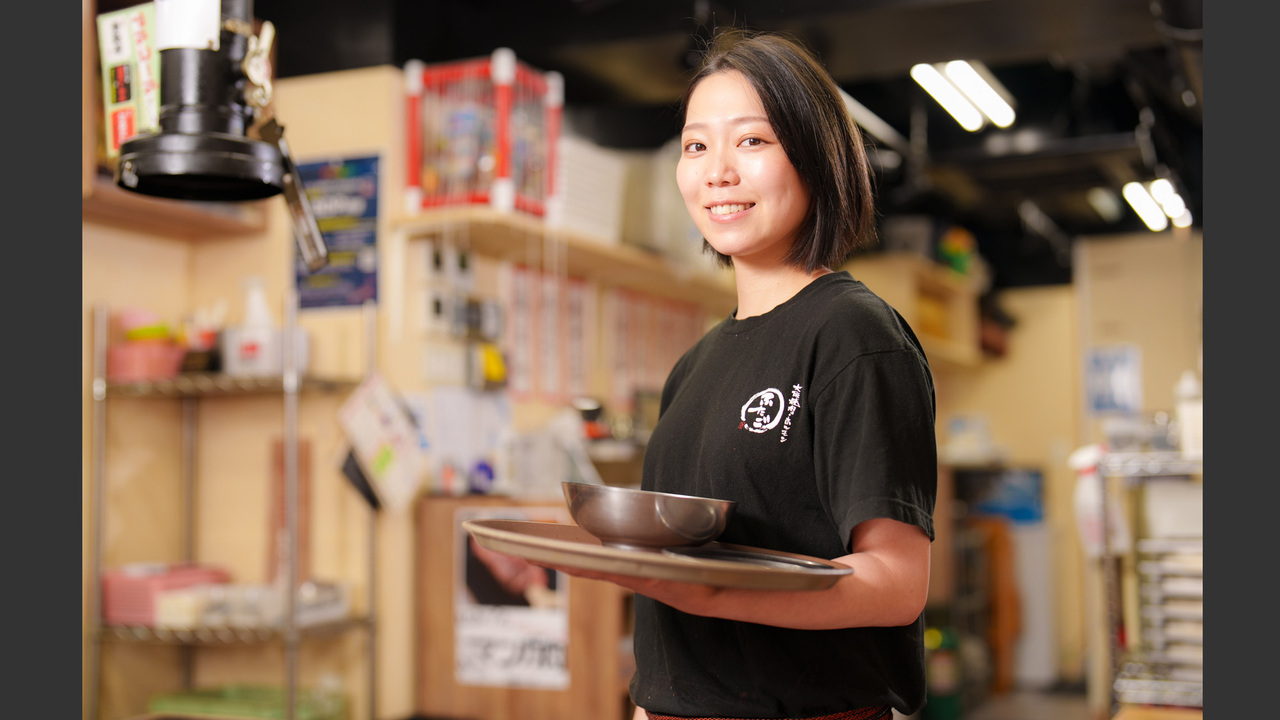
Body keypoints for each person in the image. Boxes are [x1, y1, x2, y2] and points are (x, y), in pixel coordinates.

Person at [542, 28, 938, 720]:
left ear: (816, 159)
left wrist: (710, 592)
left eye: (752, 141)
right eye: (697, 146)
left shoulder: (854, 335)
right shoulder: (696, 365)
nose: (717, 170)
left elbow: (897, 583)